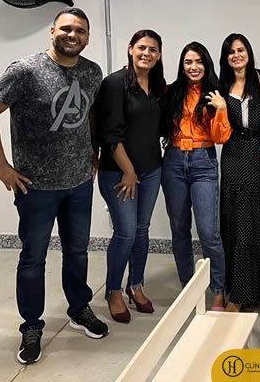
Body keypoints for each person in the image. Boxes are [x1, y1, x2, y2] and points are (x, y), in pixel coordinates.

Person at [0, 7, 108, 366]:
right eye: (66, 28)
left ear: (87, 38)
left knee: (77, 251)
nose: (72, 35)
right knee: (33, 258)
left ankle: (79, 308)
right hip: (36, 187)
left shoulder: (92, 72)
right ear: (52, 31)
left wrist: (93, 153)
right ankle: (32, 325)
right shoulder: (25, 71)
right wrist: (1, 166)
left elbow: (89, 113)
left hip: (79, 183)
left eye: (80, 30)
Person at [95, 30, 166, 323]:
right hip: (118, 172)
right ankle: (113, 290)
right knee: (125, 232)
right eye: (142, 47)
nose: (147, 53)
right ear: (130, 49)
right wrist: (128, 170)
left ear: (159, 55)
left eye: (153, 49)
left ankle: (135, 285)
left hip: (151, 170)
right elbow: (109, 133)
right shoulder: (114, 83)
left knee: (141, 229)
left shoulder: (158, 86)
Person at [162, 41, 231, 310]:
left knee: (208, 232)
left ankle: (218, 291)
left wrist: (221, 108)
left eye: (199, 61)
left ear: (206, 64)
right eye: (188, 62)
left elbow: (220, 137)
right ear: (182, 66)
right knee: (179, 229)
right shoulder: (171, 92)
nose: (194, 67)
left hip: (204, 161)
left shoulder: (215, 93)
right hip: (174, 160)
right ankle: (188, 287)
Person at [218, 33, 260, 312]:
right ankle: (239, 292)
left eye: (240, 50)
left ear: (249, 52)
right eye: (231, 52)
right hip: (233, 154)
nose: (236, 55)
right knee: (238, 222)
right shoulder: (221, 85)